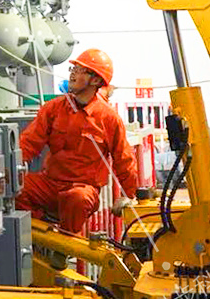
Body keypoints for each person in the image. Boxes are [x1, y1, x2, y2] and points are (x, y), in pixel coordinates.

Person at [16, 48, 138, 235]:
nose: (72, 74)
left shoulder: (108, 118)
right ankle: (44, 231)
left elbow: (124, 159)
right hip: (49, 184)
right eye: (73, 69)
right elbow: (28, 143)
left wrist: (129, 196)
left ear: (95, 80)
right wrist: (8, 170)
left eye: (79, 70)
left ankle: (65, 243)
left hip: (82, 189)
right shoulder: (53, 108)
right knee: (13, 189)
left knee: (77, 198)